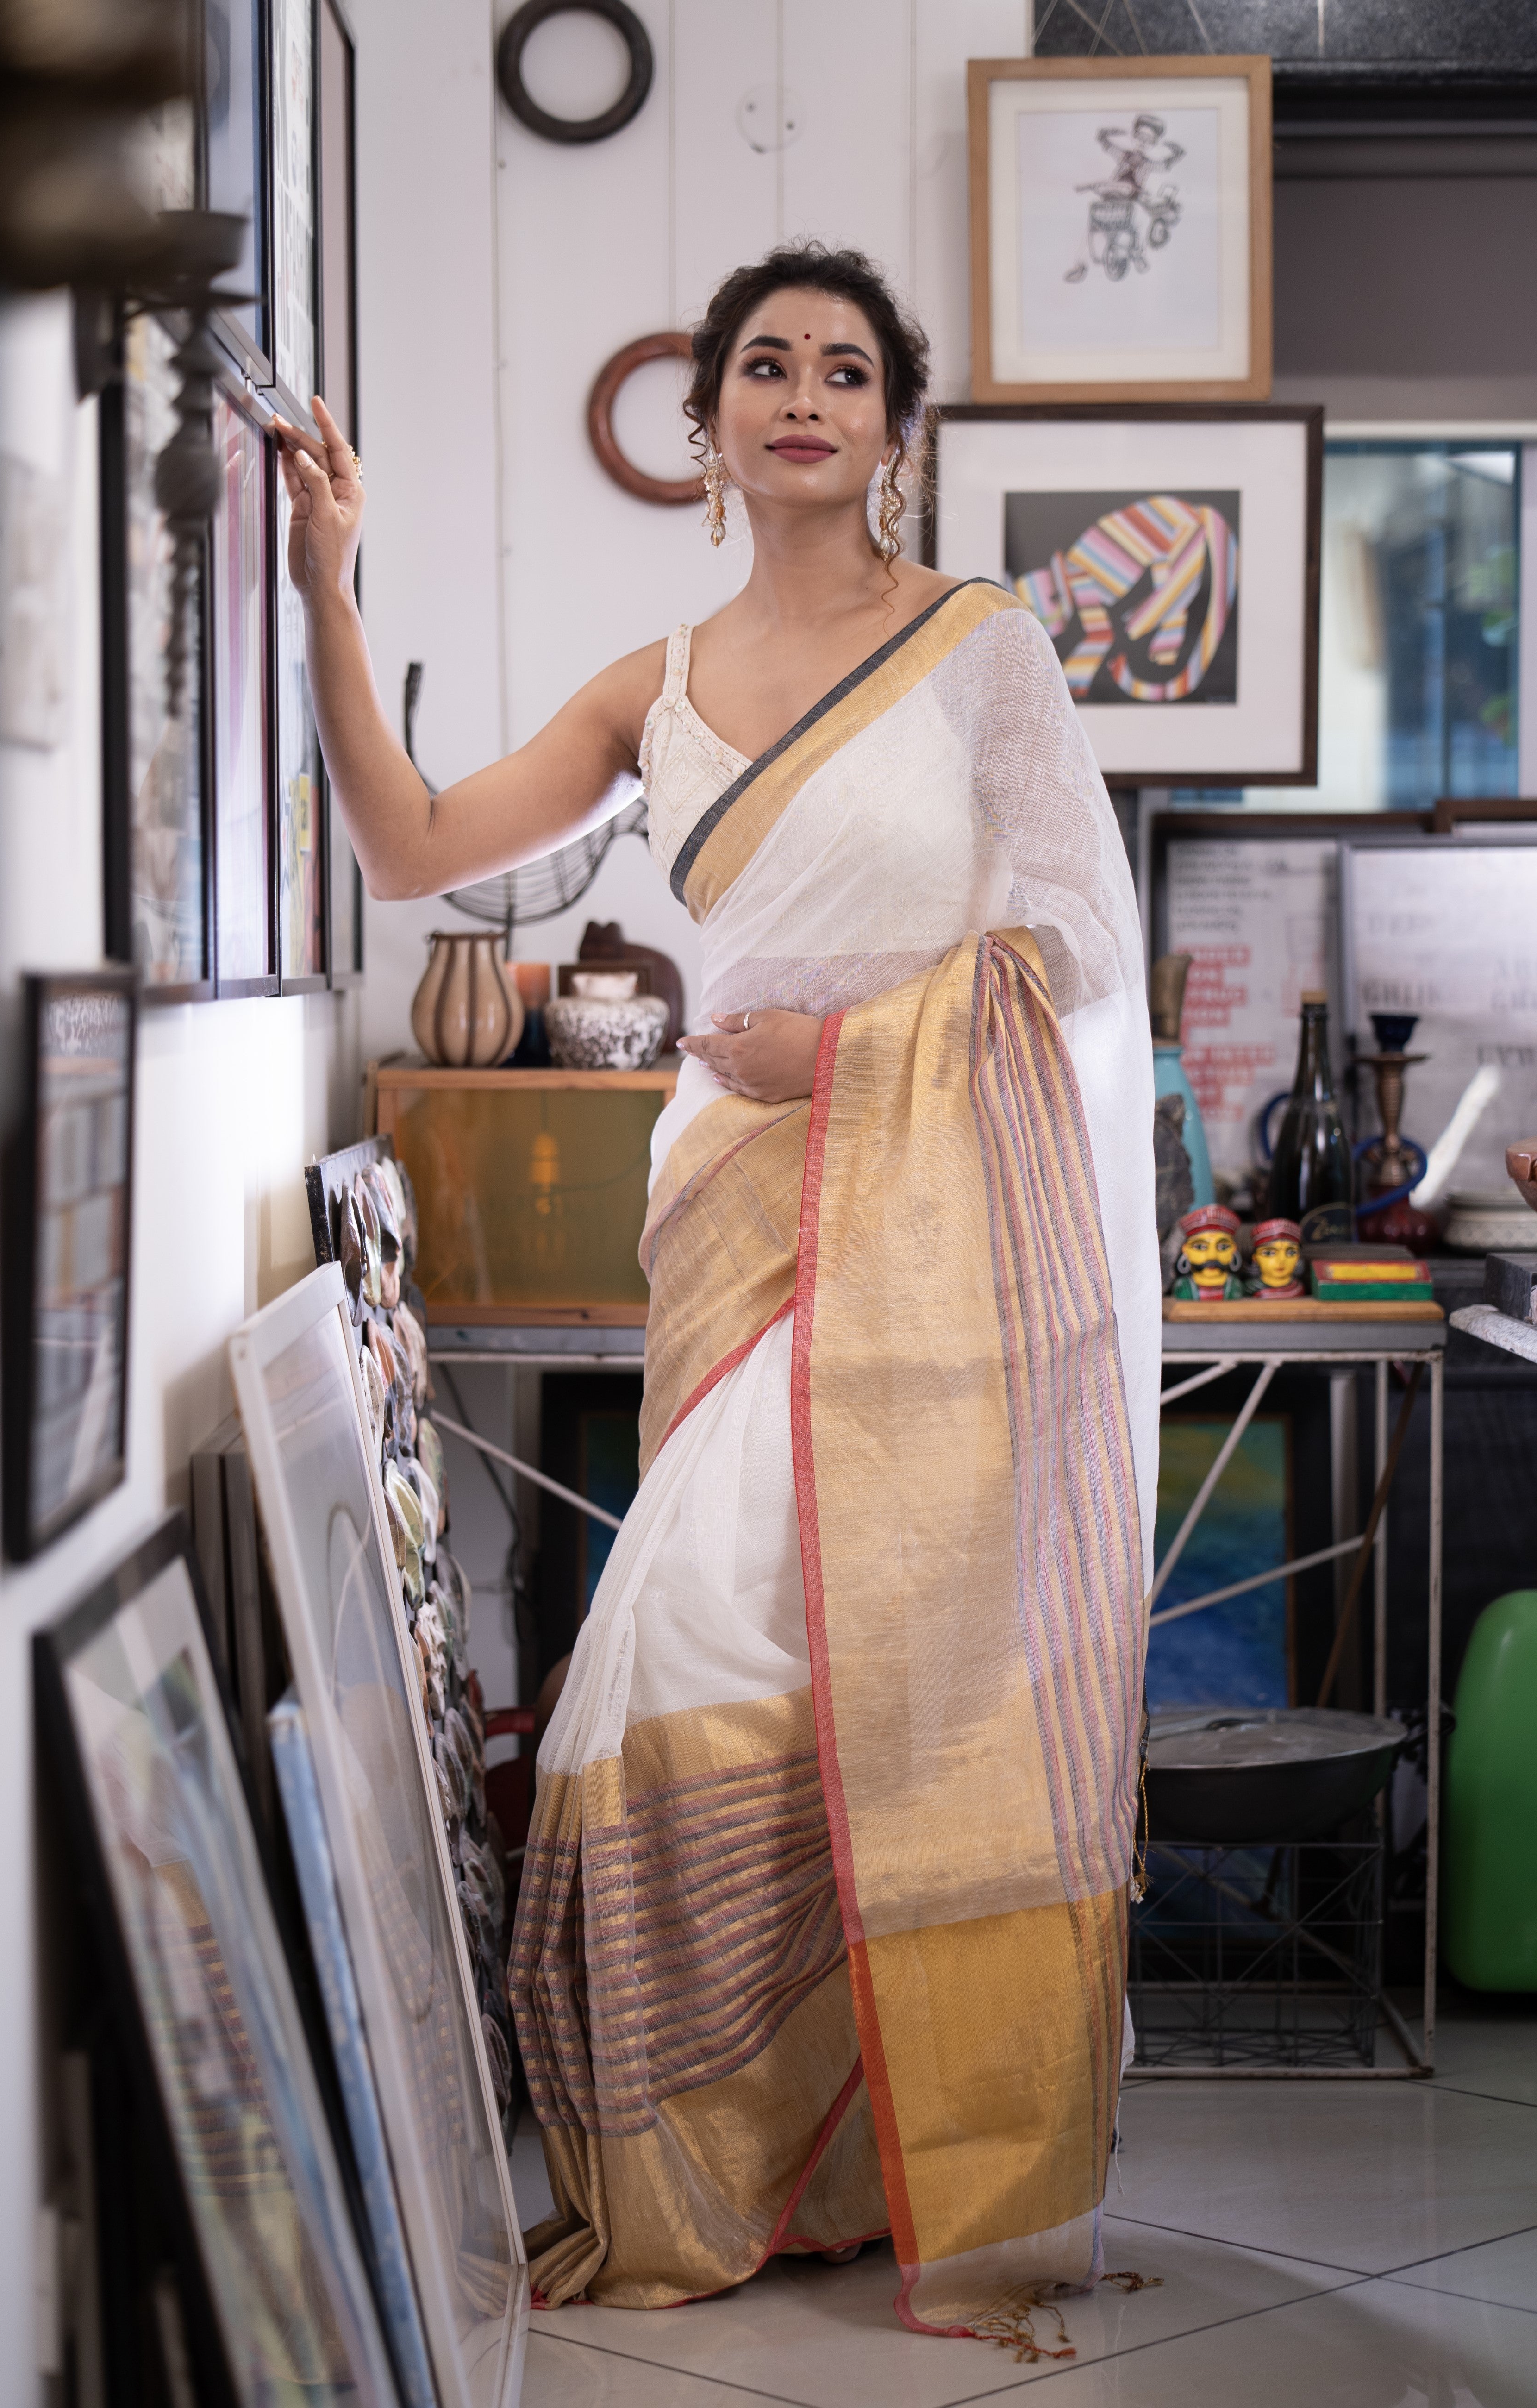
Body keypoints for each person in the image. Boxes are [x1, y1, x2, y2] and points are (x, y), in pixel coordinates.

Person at [276, 240, 1157, 2345]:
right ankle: (758, 2160)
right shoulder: (648, 689)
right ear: (710, 423)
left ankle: (920, 2166)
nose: (801, 398)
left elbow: (1077, 953)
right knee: (717, 1668)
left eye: (845, 372)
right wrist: (328, 580)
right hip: (732, 1214)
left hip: (927, 1228)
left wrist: (843, 1054)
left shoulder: (983, 651)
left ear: (895, 431)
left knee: (860, 1662)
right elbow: (409, 848)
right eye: (765, 365)